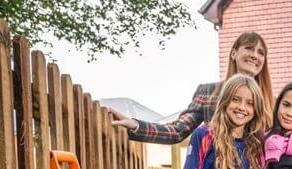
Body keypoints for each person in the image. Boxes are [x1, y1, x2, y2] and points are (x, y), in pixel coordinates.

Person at [111, 31, 273, 143]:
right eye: (249, 48)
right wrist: (136, 125)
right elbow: (177, 131)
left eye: (261, 52)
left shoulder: (271, 103)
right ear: (233, 54)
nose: (254, 55)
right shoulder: (208, 92)